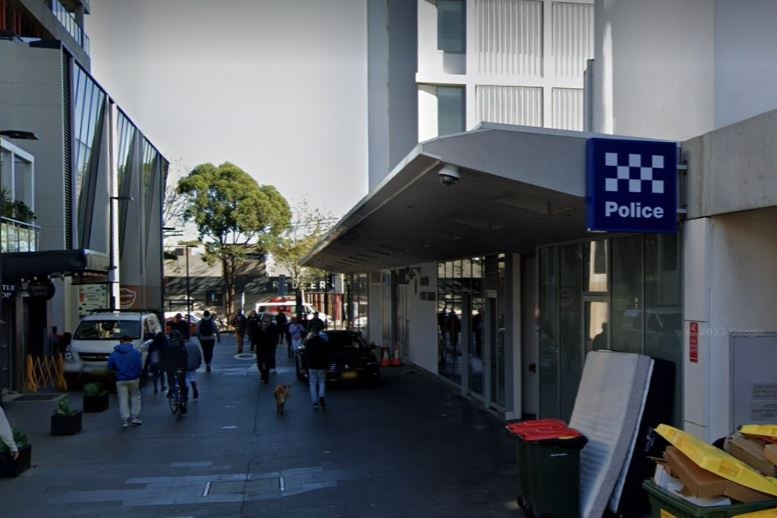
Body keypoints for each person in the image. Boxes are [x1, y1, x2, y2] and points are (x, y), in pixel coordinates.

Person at [107, 335, 143, 428]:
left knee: (123, 399)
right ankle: (135, 417)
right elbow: (139, 366)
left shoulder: (114, 354)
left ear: (120, 341)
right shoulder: (136, 352)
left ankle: (125, 420)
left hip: (121, 379)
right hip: (134, 378)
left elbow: (110, 367)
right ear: (130, 341)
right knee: (135, 396)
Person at [302, 328, 330, 409]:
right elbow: (327, 355)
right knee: (322, 382)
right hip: (321, 366)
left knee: (313, 384)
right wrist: (327, 366)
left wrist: (304, 367)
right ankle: (321, 395)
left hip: (312, 366)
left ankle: (315, 402)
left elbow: (305, 355)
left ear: (313, 333)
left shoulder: (309, 343)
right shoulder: (324, 342)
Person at [162, 330, 188, 411]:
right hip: (180, 366)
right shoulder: (181, 342)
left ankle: (171, 389)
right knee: (182, 382)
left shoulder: (167, 343)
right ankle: (184, 399)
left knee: (170, 376)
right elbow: (185, 355)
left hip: (170, 366)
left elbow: (164, 355)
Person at [254, 313, 279, 384]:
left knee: (267, 364)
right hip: (260, 349)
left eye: (267, 321)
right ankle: (263, 373)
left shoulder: (272, 328)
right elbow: (255, 338)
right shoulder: (259, 328)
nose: (265, 323)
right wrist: (254, 346)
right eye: (264, 321)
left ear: (270, 322)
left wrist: (273, 348)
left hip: (269, 349)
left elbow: (275, 338)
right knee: (259, 364)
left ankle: (265, 377)